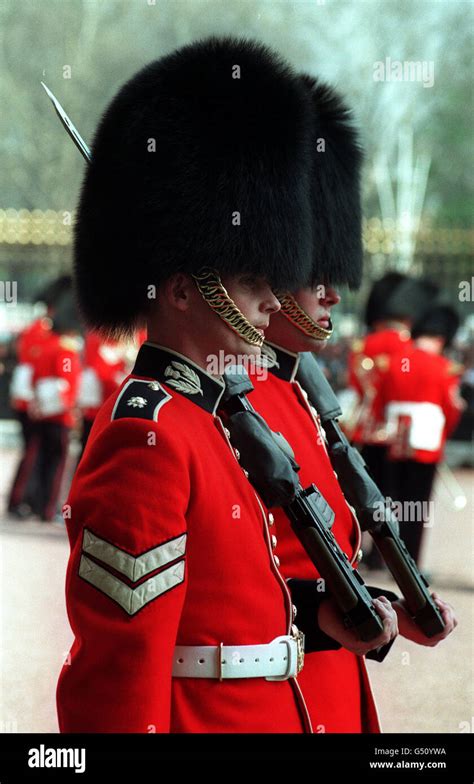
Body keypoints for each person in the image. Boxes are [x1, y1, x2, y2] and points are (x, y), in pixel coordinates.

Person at [55, 38, 396, 734]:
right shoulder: (147, 435)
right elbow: (122, 673)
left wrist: (319, 615)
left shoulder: (212, 417)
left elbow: (232, 593)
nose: (273, 303)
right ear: (182, 290)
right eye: (251, 282)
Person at [245, 78, 456, 731]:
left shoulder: (297, 393)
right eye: (315, 273)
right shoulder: (226, 400)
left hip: (328, 684)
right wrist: (321, 612)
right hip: (265, 693)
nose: (331, 294)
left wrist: (376, 602)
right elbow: (229, 583)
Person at [347, 274, 438, 569]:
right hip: (396, 431)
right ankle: (387, 554)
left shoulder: (365, 344)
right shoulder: (407, 346)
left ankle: (360, 551)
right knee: (396, 497)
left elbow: (358, 384)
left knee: (362, 493)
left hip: (364, 429)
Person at [380, 304, 465, 565]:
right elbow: (452, 409)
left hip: (395, 438)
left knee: (391, 499)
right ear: (441, 339)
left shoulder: (393, 363)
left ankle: (386, 556)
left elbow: (381, 402)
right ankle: (409, 561)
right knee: (416, 506)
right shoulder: (445, 367)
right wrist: (442, 437)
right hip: (426, 443)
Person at [7, 275, 72, 518]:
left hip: (36, 399)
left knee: (37, 453)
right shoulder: (47, 336)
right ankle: (29, 501)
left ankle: (30, 500)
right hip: (39, 402)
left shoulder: (42, 332)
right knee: (36, 453)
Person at [29, 288, 83, 521]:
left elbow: (35, 379)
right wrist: (71, 408)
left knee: (43, 460)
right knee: (57, 465)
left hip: (44, 412)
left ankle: (40, 504)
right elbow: (67, 384)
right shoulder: (65, 350)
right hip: (59, 416)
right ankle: (48, 508)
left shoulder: (47, 346)